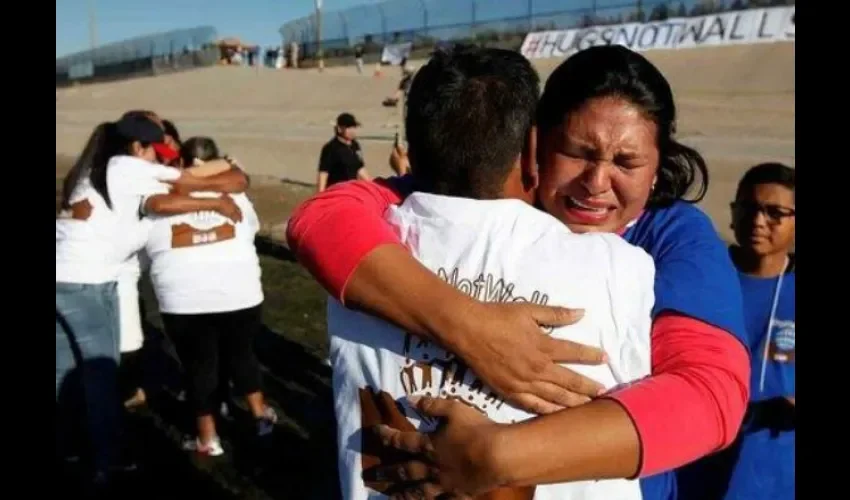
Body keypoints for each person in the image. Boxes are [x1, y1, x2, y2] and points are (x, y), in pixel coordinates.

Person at [286, 45, 750, 499]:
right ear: (535, 146)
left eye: (627, 162)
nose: (596, 182)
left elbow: (710, 398)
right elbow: (321, 222)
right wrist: (470, 327)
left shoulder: (672, 236)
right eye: (577, 152)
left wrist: (495, 459)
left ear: (658, 166)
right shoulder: (474, 196)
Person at [57, 114, 246, 488]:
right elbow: (190, 182)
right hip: (87, 282)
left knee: (64, 373)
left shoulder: (92, 169)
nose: (158, 161)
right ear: (136, 147)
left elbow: (162, 199)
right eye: (153, 153)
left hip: (65, 278)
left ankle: (68, 448)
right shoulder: (126, 166)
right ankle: (108, 460)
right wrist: (225, 187)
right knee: (99, 375)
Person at [144, 136, 276, 457]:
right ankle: (260, 416)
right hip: (238, 293)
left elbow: (148, 247)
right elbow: (250, 228)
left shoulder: (160, 195)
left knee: (199, 366)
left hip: (183, 297)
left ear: (180, 163)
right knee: (242, 354)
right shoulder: (236, 195)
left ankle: (208, 438)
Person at [676, 163, 795, 500]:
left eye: (775, 213)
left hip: (774, 474)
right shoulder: (700, 275)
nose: (758, 221)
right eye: (749, 208)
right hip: (691, 464)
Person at [317, 113, 371, 192]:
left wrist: (373, 186)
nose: (352, 130)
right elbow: (323, 173)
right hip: (336, 191)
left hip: (352, 190)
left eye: (354, 127)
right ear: (339, 129)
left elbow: (360, 168)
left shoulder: (355, 145)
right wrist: (320, 194)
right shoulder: (330, 148)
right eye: (349, 127)